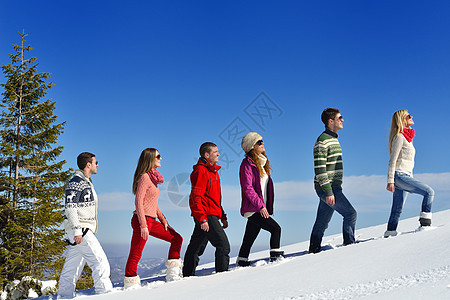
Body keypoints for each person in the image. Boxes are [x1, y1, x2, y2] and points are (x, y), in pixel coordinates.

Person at [124, 148, 183, 288]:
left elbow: (152, 203)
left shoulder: (153, 178)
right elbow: (138, 201)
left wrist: (163, 219)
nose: (161, 158)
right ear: (151, 158)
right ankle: (130, 283)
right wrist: (143, 225)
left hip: (152, 220)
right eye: (158, 156)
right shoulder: (144, 177)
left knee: (176, 238)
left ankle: (173, 274)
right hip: (142, 220)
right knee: (136, 253)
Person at [58, 152, 113, 298]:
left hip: (80, 230)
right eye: (96, 162)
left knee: (72, 267)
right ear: (88, 164)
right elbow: (70, 208)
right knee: (100, 262)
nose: (97, 165)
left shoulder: (85, 182)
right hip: (81, 230)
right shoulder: (76, 182)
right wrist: (77, 230)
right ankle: (105, 294)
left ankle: (64, 296)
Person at [309, 108, 357, 254]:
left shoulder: (333, 139)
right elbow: (320, 169)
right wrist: (328, 191)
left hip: (332, 187)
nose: (342, 120)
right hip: (328, 188)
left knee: (322, 222)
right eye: (339, 118)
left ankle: (314, 249)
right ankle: (350, 246)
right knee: (350, 214)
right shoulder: (322, 142)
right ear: (331, 121)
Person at [182, 142, 230, 276]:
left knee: (196, 248)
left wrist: (223, 216)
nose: (219, 154)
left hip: (211, 214)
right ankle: (223, 276)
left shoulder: (213, 171)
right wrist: (202, 218)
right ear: (206, 155)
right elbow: (195, 197)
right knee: (223, 245)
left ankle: (187, 276)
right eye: (215, 152)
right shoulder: (201, 171)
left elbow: (214, 198)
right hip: (206, 215)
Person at [236, 132, 283, 266]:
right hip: (254, 208)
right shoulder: (246, 165)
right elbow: (248, 188)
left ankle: (242, 260)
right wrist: (261, 206)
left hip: (260, 207)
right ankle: (276, 258)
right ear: (251, 146)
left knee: (249, 237)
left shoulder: (262, 164)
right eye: (259, 142)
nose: (262, 143)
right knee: (276, 229)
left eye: (262, 141)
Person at [384, 110, 434, 237]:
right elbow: (392, 161)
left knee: (397, 209)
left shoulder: (408, 138)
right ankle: (425, 225)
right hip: (399, 176)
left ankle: (390, 233)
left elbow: (408, 163)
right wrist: (390, 180)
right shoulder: (399, 137)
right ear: (402, 120)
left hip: (404, 177)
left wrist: (410, 179)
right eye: (408, 116)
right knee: (429, 192)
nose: (411, 116)